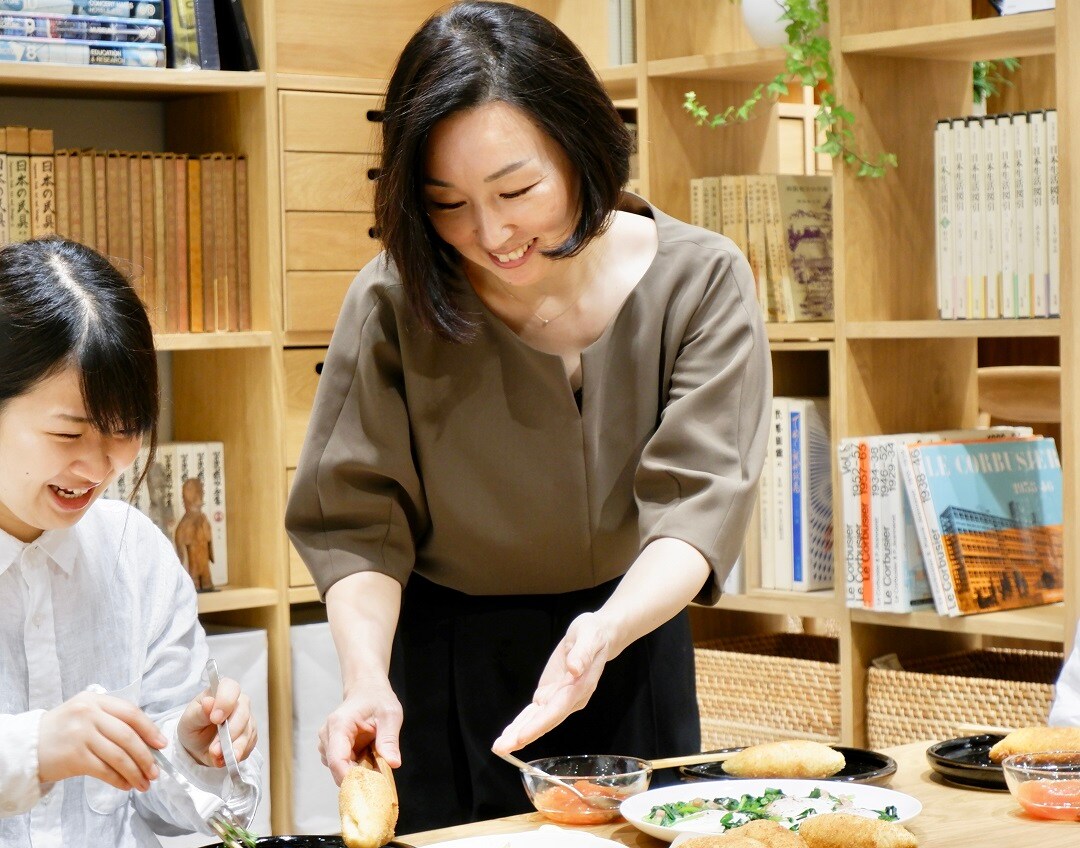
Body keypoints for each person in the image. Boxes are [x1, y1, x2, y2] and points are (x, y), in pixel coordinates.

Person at [285, 0, 770, 833]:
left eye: (518, 189)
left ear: (582, 146)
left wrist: (607, 631)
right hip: (444, 662)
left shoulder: (702, 280)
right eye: (447, 203)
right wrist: (366, 678)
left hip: (631, 639)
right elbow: (358, 524)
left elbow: (699, 506)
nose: (491, 233)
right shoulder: (393, 297)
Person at [0, 237, 262, 847]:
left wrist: (192, 752)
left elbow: (167, 811)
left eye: (124, 431)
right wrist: (35, 749)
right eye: (68, 433)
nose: (97, 467)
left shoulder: (133, 553)